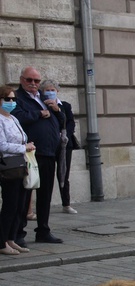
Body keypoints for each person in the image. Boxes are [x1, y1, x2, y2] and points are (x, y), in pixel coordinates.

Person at [11, 66, 63, 244]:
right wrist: (39, 113)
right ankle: (19, 233)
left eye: (36, 81)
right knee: (24, 195)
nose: (33, 84)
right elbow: (17, 117)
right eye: (29, 80)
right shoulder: (16, 98)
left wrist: (56, 110)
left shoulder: (43, 97)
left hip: (48, 152)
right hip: (30, 154)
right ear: (21, 80)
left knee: (45, 194)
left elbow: (61, 121)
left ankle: (43, 230)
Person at [0, 86, 37, 255]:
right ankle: (2, 243)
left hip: (21, 165)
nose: (11, 102)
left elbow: (23, 137)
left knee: (20, 206)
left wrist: (28, 146)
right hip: (8, 166)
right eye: (7, 99)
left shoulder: (13, 118)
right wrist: (23, 148)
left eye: (13, 99)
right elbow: (2, 145)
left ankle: (11, 238)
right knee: (10, 205)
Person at [41, 80, 78, 214]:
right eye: (47, 90)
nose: (50, 92)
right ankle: (45, 204)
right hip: (49, 145)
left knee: (63, 173)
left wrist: (64, 135)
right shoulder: (40, 105)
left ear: (57, 91)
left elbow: (70, 123)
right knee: (47, 175)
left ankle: (66, 204)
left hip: (64, 144)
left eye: (53, 90)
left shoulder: (65, 106)